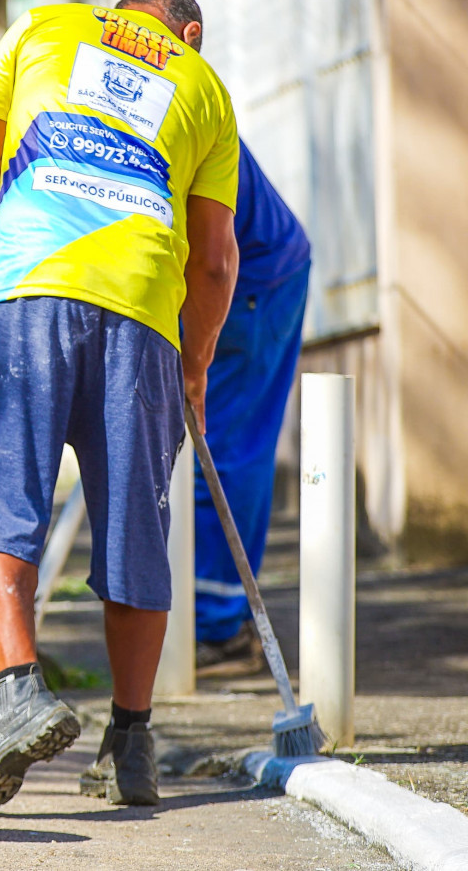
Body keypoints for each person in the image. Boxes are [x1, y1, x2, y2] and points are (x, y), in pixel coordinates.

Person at [0, 0, 240, 812]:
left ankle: (17, 694)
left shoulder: (47, 25)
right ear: (191, 30)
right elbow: (215, 261)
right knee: (136, 526)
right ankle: (131, 742)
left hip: (28, 289)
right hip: (143, 316)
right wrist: (195, 364)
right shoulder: (207, 89)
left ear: (117, 10)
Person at [192, 141, 309, 673]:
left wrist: (193, 360)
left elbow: (213, 264)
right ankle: (207, 617)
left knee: (221, 449)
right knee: (198, 450)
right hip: (224, 270)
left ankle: (220, 626)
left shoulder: (185, 107)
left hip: (254, 278)